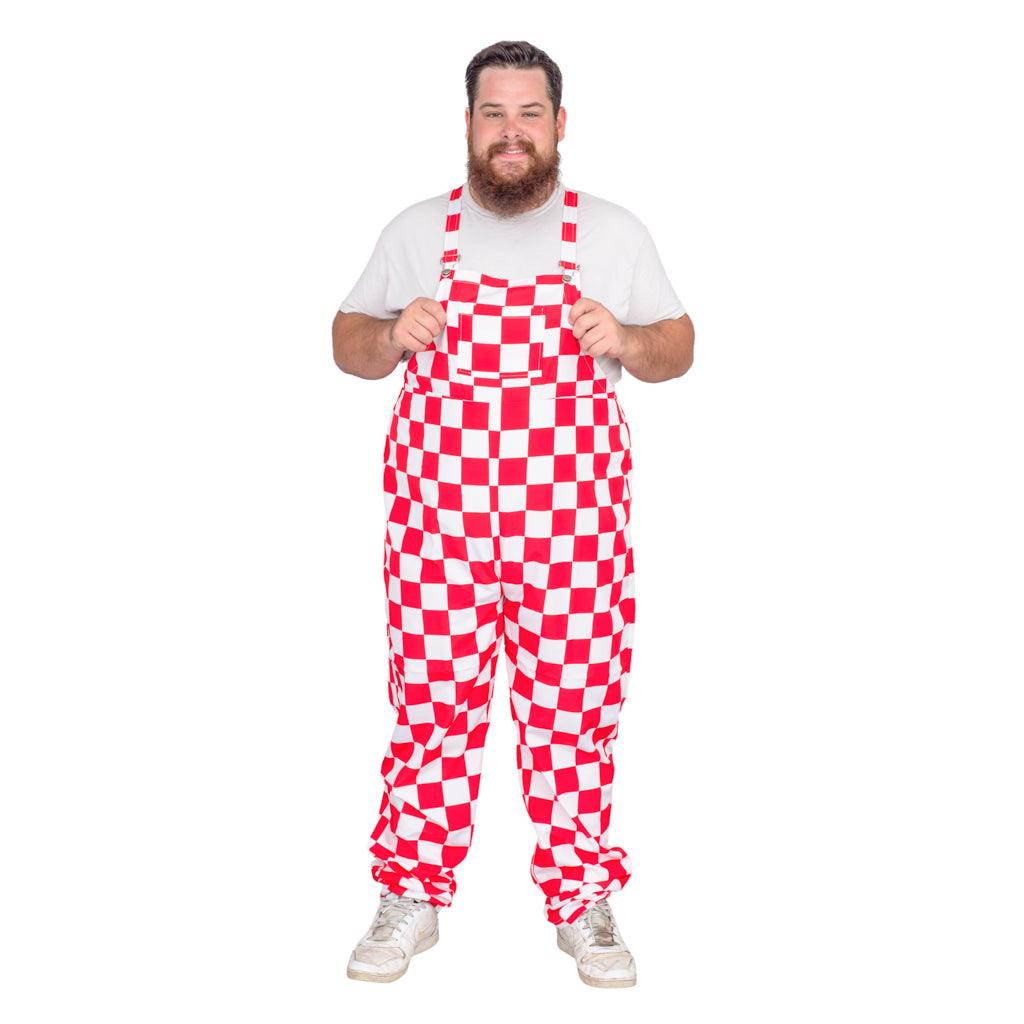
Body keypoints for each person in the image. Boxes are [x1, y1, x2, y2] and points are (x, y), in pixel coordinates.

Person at [331, 40, 694, 988]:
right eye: (493, 113)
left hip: (571, 536)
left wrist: (628, 339)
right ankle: (411, 894)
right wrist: (389, 332)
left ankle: (581, 900)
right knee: (430, 712)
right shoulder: (417, 230)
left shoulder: (612, 233)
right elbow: (347, 340)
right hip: (439, 534)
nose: (511, 132)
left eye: (529, 113)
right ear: (468, 124)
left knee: (574, 717)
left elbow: (679, 343)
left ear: (559, 124)